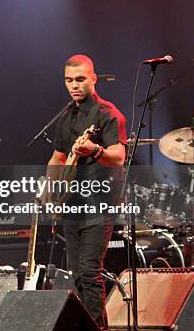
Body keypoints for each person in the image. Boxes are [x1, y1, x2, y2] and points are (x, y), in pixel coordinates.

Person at [42, 55, 127, 330]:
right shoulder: (66, 117)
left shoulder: (108, 113)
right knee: (77, 274)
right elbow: (57, 158)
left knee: (90, 271)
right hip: (71, 202)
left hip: (99, 202)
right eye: (69, 80)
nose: (74, 85)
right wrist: (49, 190)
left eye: (80, 79)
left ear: (93, 79)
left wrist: (95, 150)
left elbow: (119, 156)